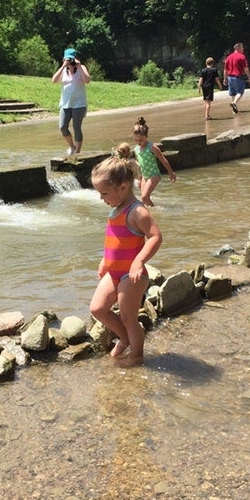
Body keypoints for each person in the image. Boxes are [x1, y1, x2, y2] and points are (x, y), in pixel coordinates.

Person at [89, 145, 163, 367]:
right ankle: (124, 338)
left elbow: (155, 237)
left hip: (131, 275)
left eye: (104, 193)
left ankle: (137, 356)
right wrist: (105, 261)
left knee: (129, 318)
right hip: (113, 272)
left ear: (122, 187)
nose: (101, 198)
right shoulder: (115, 208)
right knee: (97, 308)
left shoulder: (136, 211)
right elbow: (115, 239)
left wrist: (139, 261)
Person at [126, 116, 176, 207]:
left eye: (141, 140)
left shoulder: (152, 147)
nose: (138, 142)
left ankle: (152, 215)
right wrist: (139, 177)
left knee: (145, 197)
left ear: (146, 136)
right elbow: (139, 163)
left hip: (154, 174)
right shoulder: (136, 149)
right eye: (136, 140)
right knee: (143, 199)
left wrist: (171, 172)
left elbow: (163, 160)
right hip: (144, 176)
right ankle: (151, 213)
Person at [52, 48, 91, 155]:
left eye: (71, 59)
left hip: (79, 104)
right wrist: (63, 66)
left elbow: (87, 80)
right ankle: (72, 146)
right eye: (67, 59)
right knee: (63, 127)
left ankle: (77, 152)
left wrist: (79, 67)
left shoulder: (81, 68)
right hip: (65, 104)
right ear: (64, 59)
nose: (69, 61)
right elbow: (54, 80)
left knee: (76, 127)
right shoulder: (63, 70)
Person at [224, 42, 250, 114]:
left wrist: (225, 78)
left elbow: (225, 70)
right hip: (238, 77)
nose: (243, 49)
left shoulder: (228, 57)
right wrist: (249, 77)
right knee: (240, 92)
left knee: (233, 93)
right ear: (237, 48)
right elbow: (245, 68)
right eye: (242, 47)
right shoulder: (241, 56)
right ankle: (234, 102)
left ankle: (234, 107)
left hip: (230, 77)